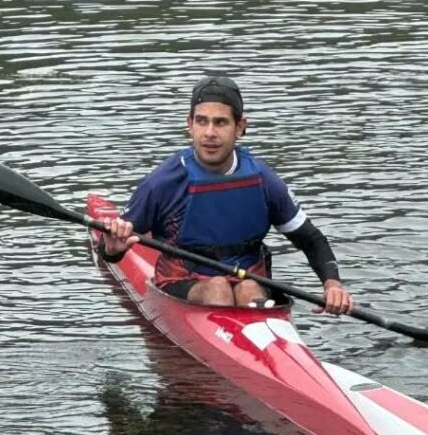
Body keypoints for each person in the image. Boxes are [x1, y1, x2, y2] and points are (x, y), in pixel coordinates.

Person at [100, 75, 352, 312]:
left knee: (248, 288)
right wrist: (112, 248)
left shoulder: (263, 180)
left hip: (250, 278)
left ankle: (259, 342)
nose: (210, 133)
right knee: (218, 288)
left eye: (220, 122)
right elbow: (111, 250)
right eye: (202, 121)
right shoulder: (162, 183)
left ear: (240, 127)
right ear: (189, 125)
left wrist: (332, 285)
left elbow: (310, 239)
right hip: (184, 280)